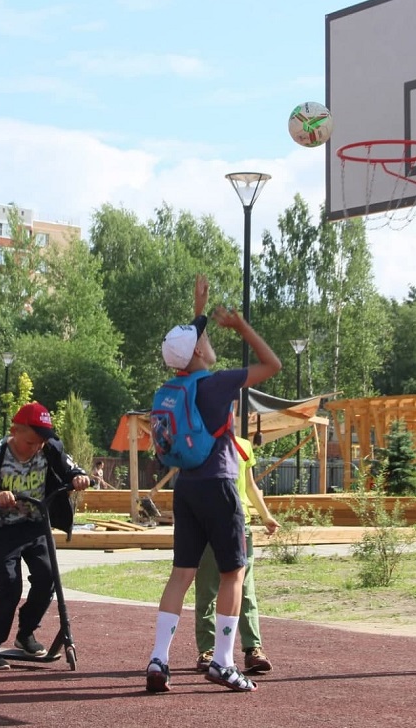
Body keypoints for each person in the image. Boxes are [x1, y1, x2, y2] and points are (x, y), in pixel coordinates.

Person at [145, 274, 281, 694]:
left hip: (186, 488)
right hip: (220, 486)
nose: (205, 338)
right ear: (199, 351)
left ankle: (158, 659)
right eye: (202, 337)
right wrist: (241, 327)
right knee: (233, 573)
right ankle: (223, 662)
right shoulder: (217, 383)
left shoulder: (173, 385)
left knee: (181, 574)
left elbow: (188, 344)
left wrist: (199, 310)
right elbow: (273, 365)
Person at [0, 401, 90, 670]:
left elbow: (70, 467)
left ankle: (26, 634)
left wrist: (79, 477)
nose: (36, 447)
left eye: (40, 442)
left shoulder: (49, 448)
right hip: (2, 527)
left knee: (47, 578)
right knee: (9, 585)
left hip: (35, 524)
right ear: (14, 431)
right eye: (31, 442)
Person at [194, 434, 278, 675]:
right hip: (209, 525)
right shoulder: (197, 443)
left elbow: (250, 485)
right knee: (208, 589)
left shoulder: (243, 446)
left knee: (245, 589)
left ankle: (253, 649)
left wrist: (265, 515)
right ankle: (207, 649)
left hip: (240, 525)